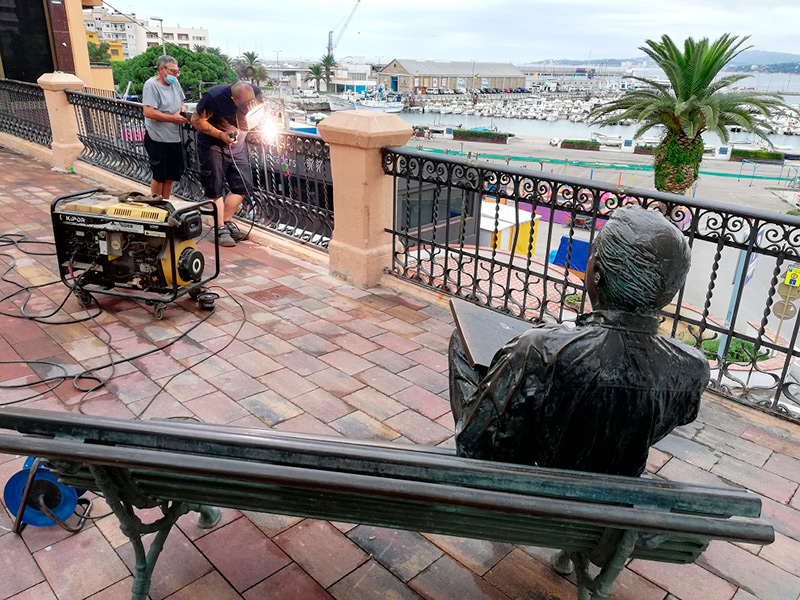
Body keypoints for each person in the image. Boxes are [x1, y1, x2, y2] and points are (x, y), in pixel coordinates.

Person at [448, 205, 710, 477]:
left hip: (534, 493)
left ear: (596, 271)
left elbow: (473, 445)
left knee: (462, 342)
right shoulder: (692, 369)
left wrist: (488, 381)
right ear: (669, 290)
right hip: (615, 501)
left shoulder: (538, 349)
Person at [191, 81, 264, 247]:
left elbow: (259, 113)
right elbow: (196, 120)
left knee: (243, 185)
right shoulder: (213, 97)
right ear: (232, 98)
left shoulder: (255, 93)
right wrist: (220, 134)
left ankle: (226, 221)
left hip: (238, 146)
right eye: (243, 105)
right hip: (213, 144)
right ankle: (220, 228)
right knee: (214, 186)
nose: (248, 106)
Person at [142, 55, 188, 200]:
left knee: (171, 175)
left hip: (173, 136)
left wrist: (181, 111)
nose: (175, 75)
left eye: (177, 72)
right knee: (159, 175)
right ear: (161, 69)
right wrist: (172, 118)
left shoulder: (175, 83)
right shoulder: (151, 85)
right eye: (173, 71)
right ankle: (156, 204)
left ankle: (165, 202)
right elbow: (148, 112)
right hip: (157, 136)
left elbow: (181, 101)